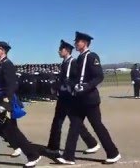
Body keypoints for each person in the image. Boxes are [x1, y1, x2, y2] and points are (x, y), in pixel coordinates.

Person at [57, 32, 121, 165]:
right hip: (79, 99)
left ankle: (113, 153)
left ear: (84, 43)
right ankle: (68, 156)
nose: (75, 44)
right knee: (74, 125)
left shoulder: (92, 56)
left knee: (97, 126)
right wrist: (72, 85)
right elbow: (77, 77)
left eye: (77, 42)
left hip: (90, 99)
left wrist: (86, 87)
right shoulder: (79, 58)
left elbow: (98, 76)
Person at [0, 40, 41, 168]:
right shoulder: (0, 65)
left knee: (11, 131)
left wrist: (6, 104)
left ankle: (33, 155)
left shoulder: (7, 65)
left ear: (3, 50)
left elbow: (12, 85)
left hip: (4, 103)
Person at [46, 40, 99, 156]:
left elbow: (77, 79)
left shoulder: (73, 63)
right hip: (63, 96)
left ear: (67, 51)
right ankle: (53, 147)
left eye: (61, 49)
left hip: (70, 98)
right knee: (58, 121)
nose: (59, 51)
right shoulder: (64, 63)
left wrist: (71, 86)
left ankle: (92, 143)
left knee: (75, 123)